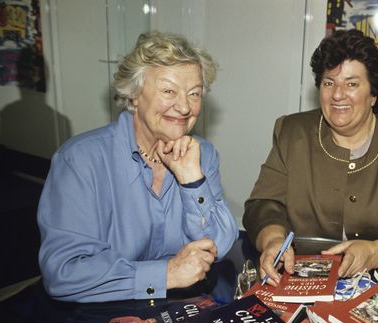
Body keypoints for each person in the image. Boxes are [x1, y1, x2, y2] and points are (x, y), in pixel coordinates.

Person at [243, 29, 378, 286]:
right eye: (328, 82)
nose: (337, 95)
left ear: (373, 94)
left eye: (352, 84)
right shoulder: (291, 133)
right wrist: (273, 240)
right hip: (299, 277)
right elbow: (263, 204)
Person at [38, 31, 238, 302]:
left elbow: (220, 246)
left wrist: (192, 180)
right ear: (133, 96)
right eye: (169, 91)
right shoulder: (80, 161)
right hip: (98, 315)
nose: (184, 107)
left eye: (194, 94)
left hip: (179, 310)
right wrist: (166, 274)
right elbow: (64, 273)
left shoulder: (203, 155)